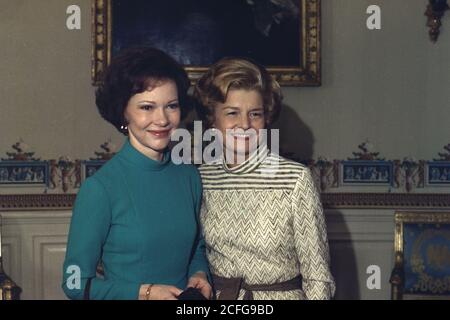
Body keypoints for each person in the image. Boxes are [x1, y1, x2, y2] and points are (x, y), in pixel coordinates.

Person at [62, 47, 211, 300]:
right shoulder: (100, 189)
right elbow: (74, 283)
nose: (162, 119)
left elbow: (197, 246)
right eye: (146, 107)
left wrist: (199, 273)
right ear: (123, 112)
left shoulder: (189, 176)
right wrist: (145, 293)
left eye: (171, 106)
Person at [193, 57, 335, 300]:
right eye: (232, 113)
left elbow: (318, 276)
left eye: (255, 114)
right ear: (212, 119)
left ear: (267, 117)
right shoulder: (201, 177)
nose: (244, 125)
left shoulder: (294, 179)